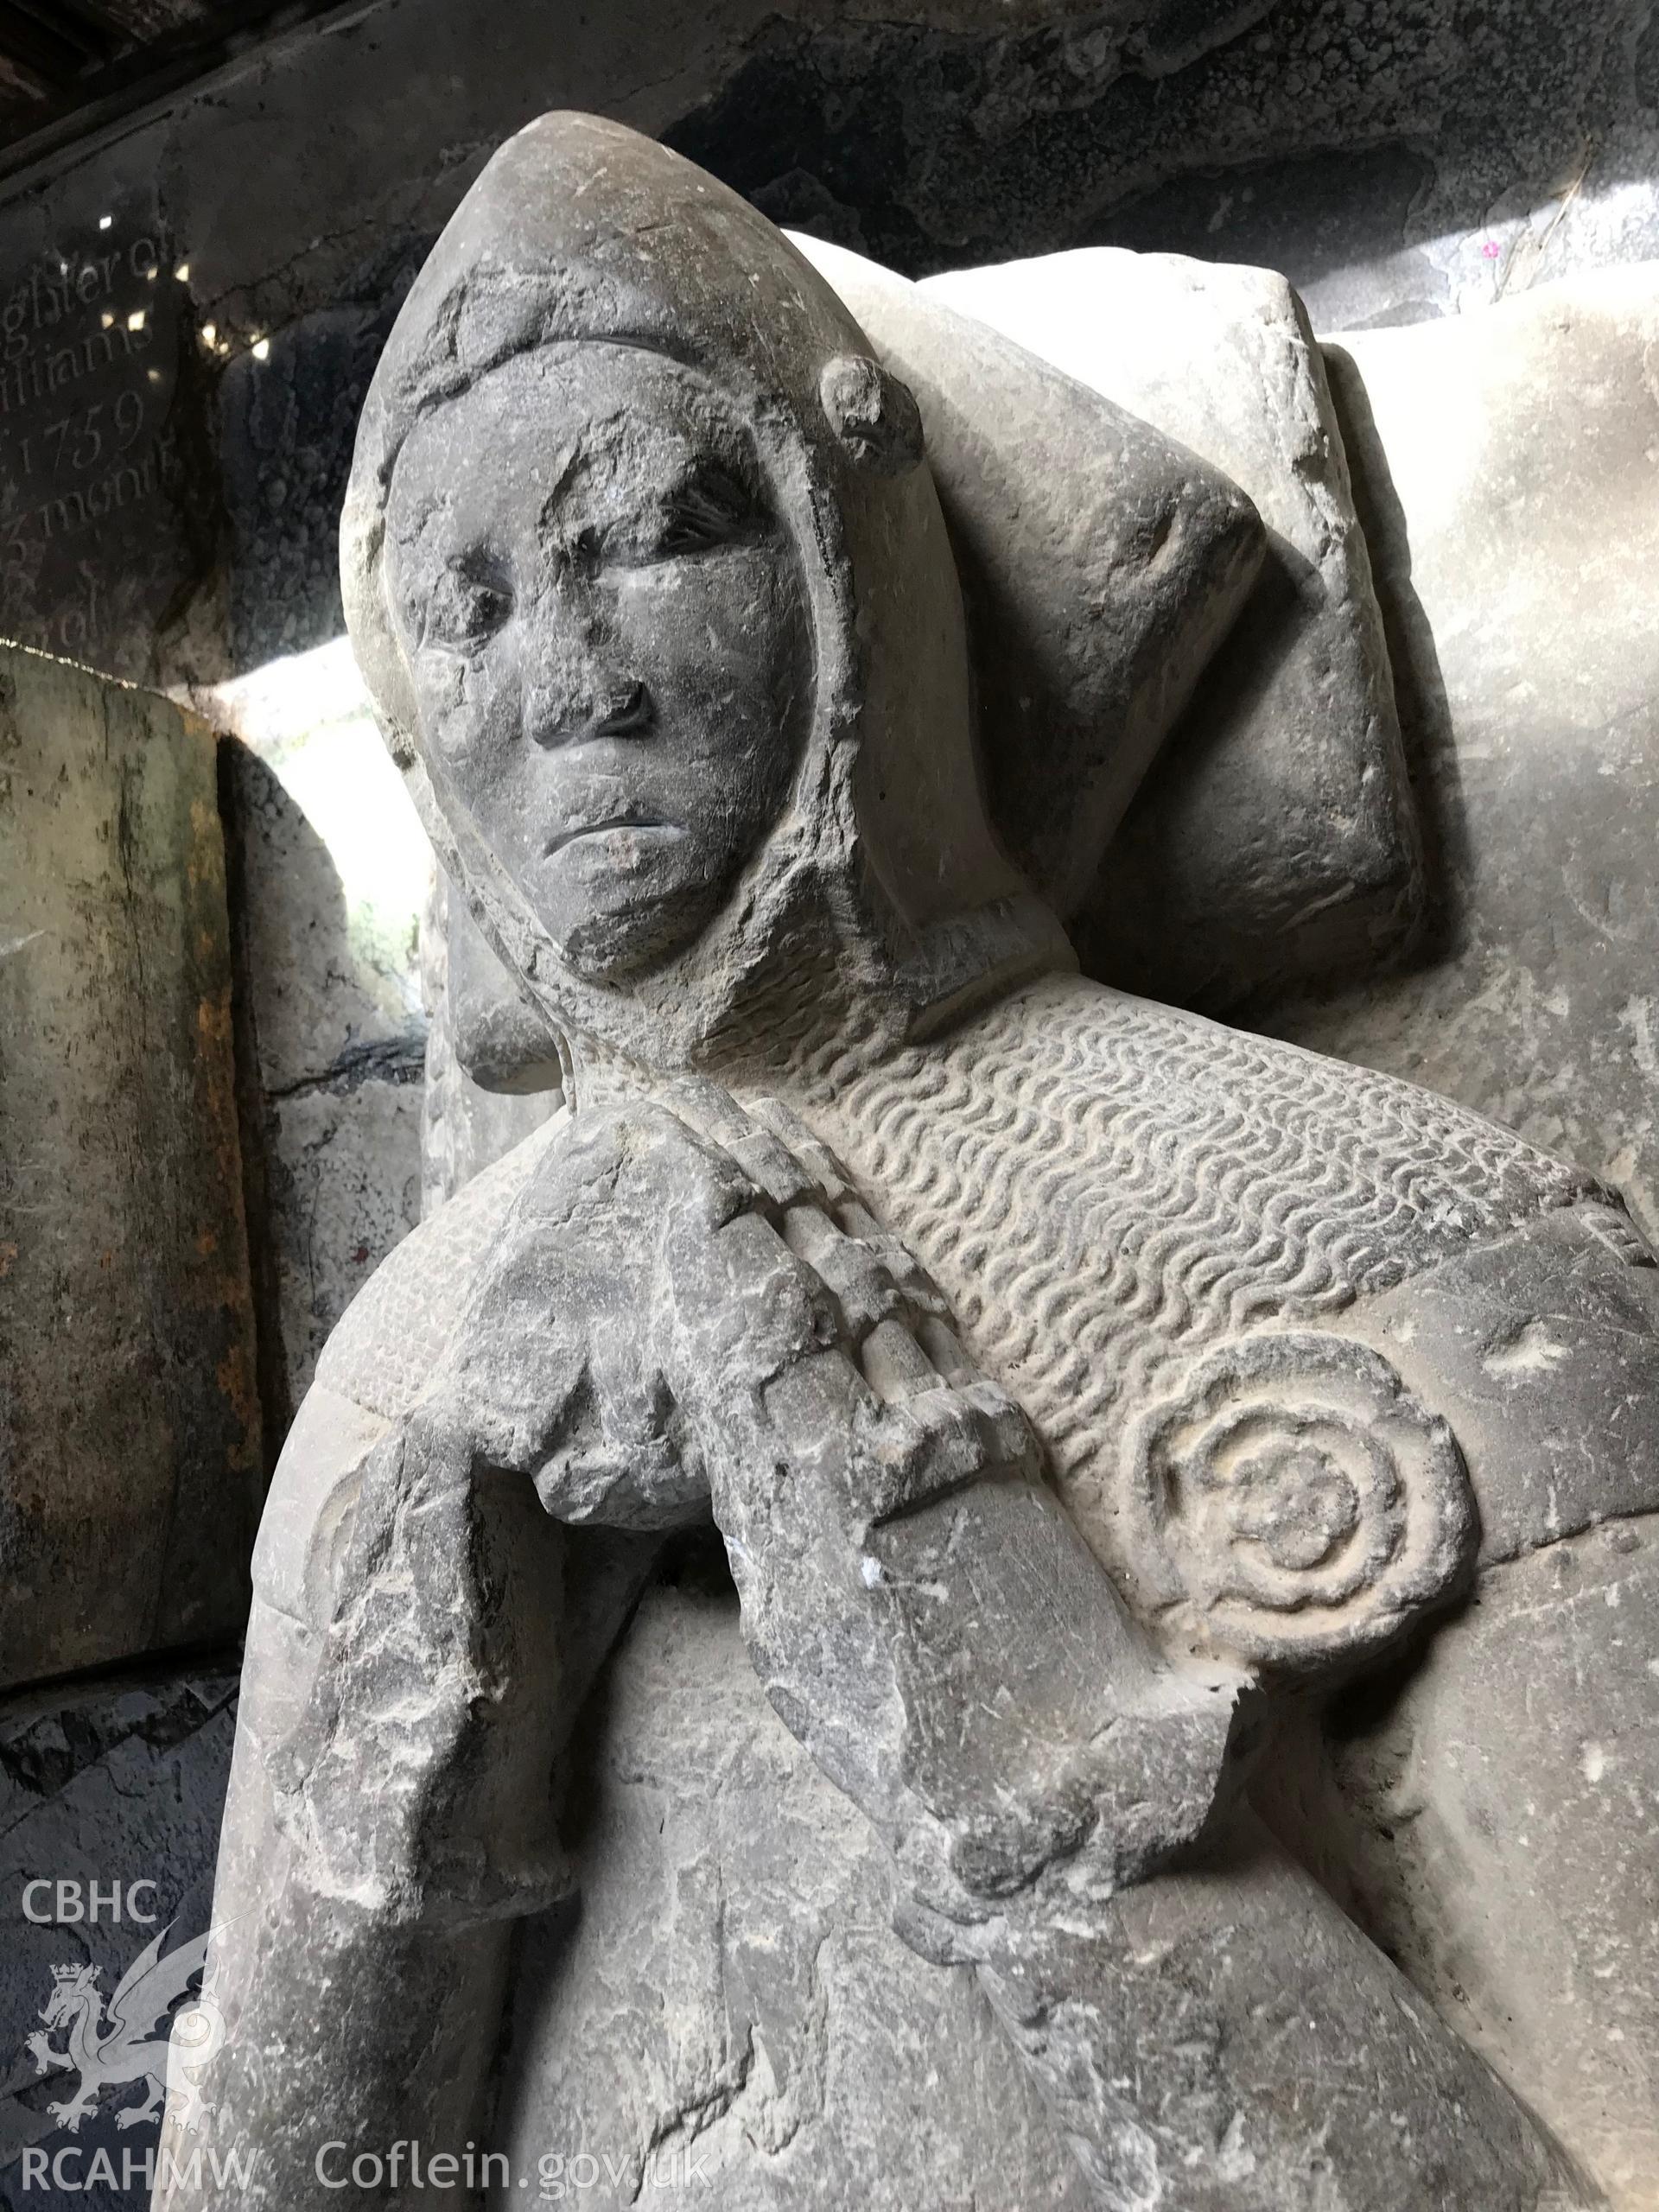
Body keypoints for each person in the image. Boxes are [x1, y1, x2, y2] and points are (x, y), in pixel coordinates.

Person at [162, 112, 1654, 2210]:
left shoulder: (1395, 1232)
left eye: (653, 535)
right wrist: (408, 1698)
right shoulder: (420, 1355)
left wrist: (970, 1636)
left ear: (855, 559)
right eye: (466, 605)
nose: (564, 686)